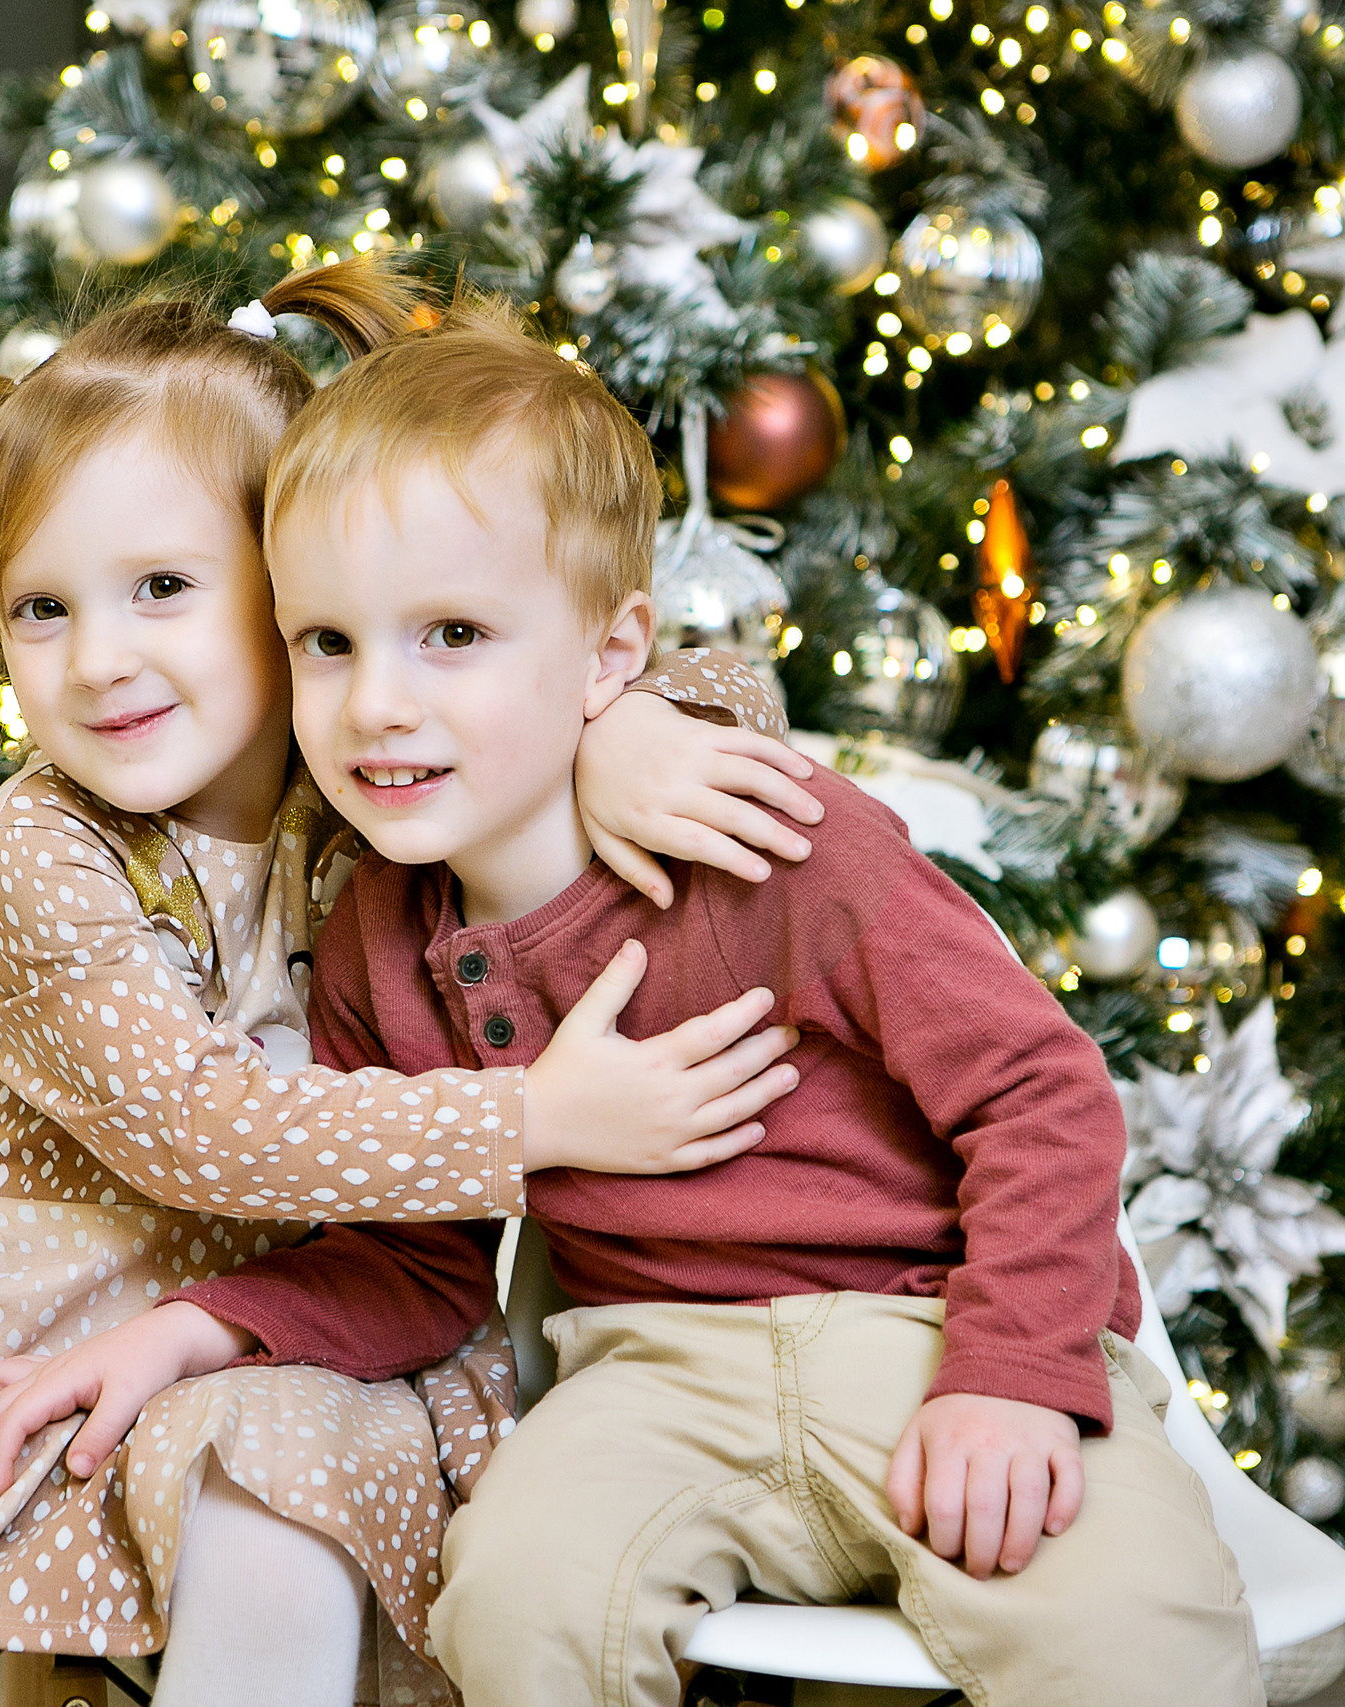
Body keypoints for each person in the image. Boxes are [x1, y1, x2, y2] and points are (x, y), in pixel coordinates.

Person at [0, 259, 824, 1707]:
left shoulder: (385, 775)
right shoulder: (45, 841)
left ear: (297, 588)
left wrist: (622, 726)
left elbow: (725, 690)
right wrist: (533, 1123)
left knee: (279, 1510)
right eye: (43, 608)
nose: (99, 662)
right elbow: (210, 1127)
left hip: (306, 1330)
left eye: (165, 590)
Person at [164, 294, 1264, 1707]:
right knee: (511, 1605)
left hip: (935, 1329)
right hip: (652, 1374)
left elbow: (1041, 1093)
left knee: (1130, 1633)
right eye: (327, 642)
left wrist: (1012, 1372)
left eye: (450, 632)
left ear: (613, 655)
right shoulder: (381, 927)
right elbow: (421, 1262)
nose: (376, 702)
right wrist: (207, 1323)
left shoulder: (770, 842)